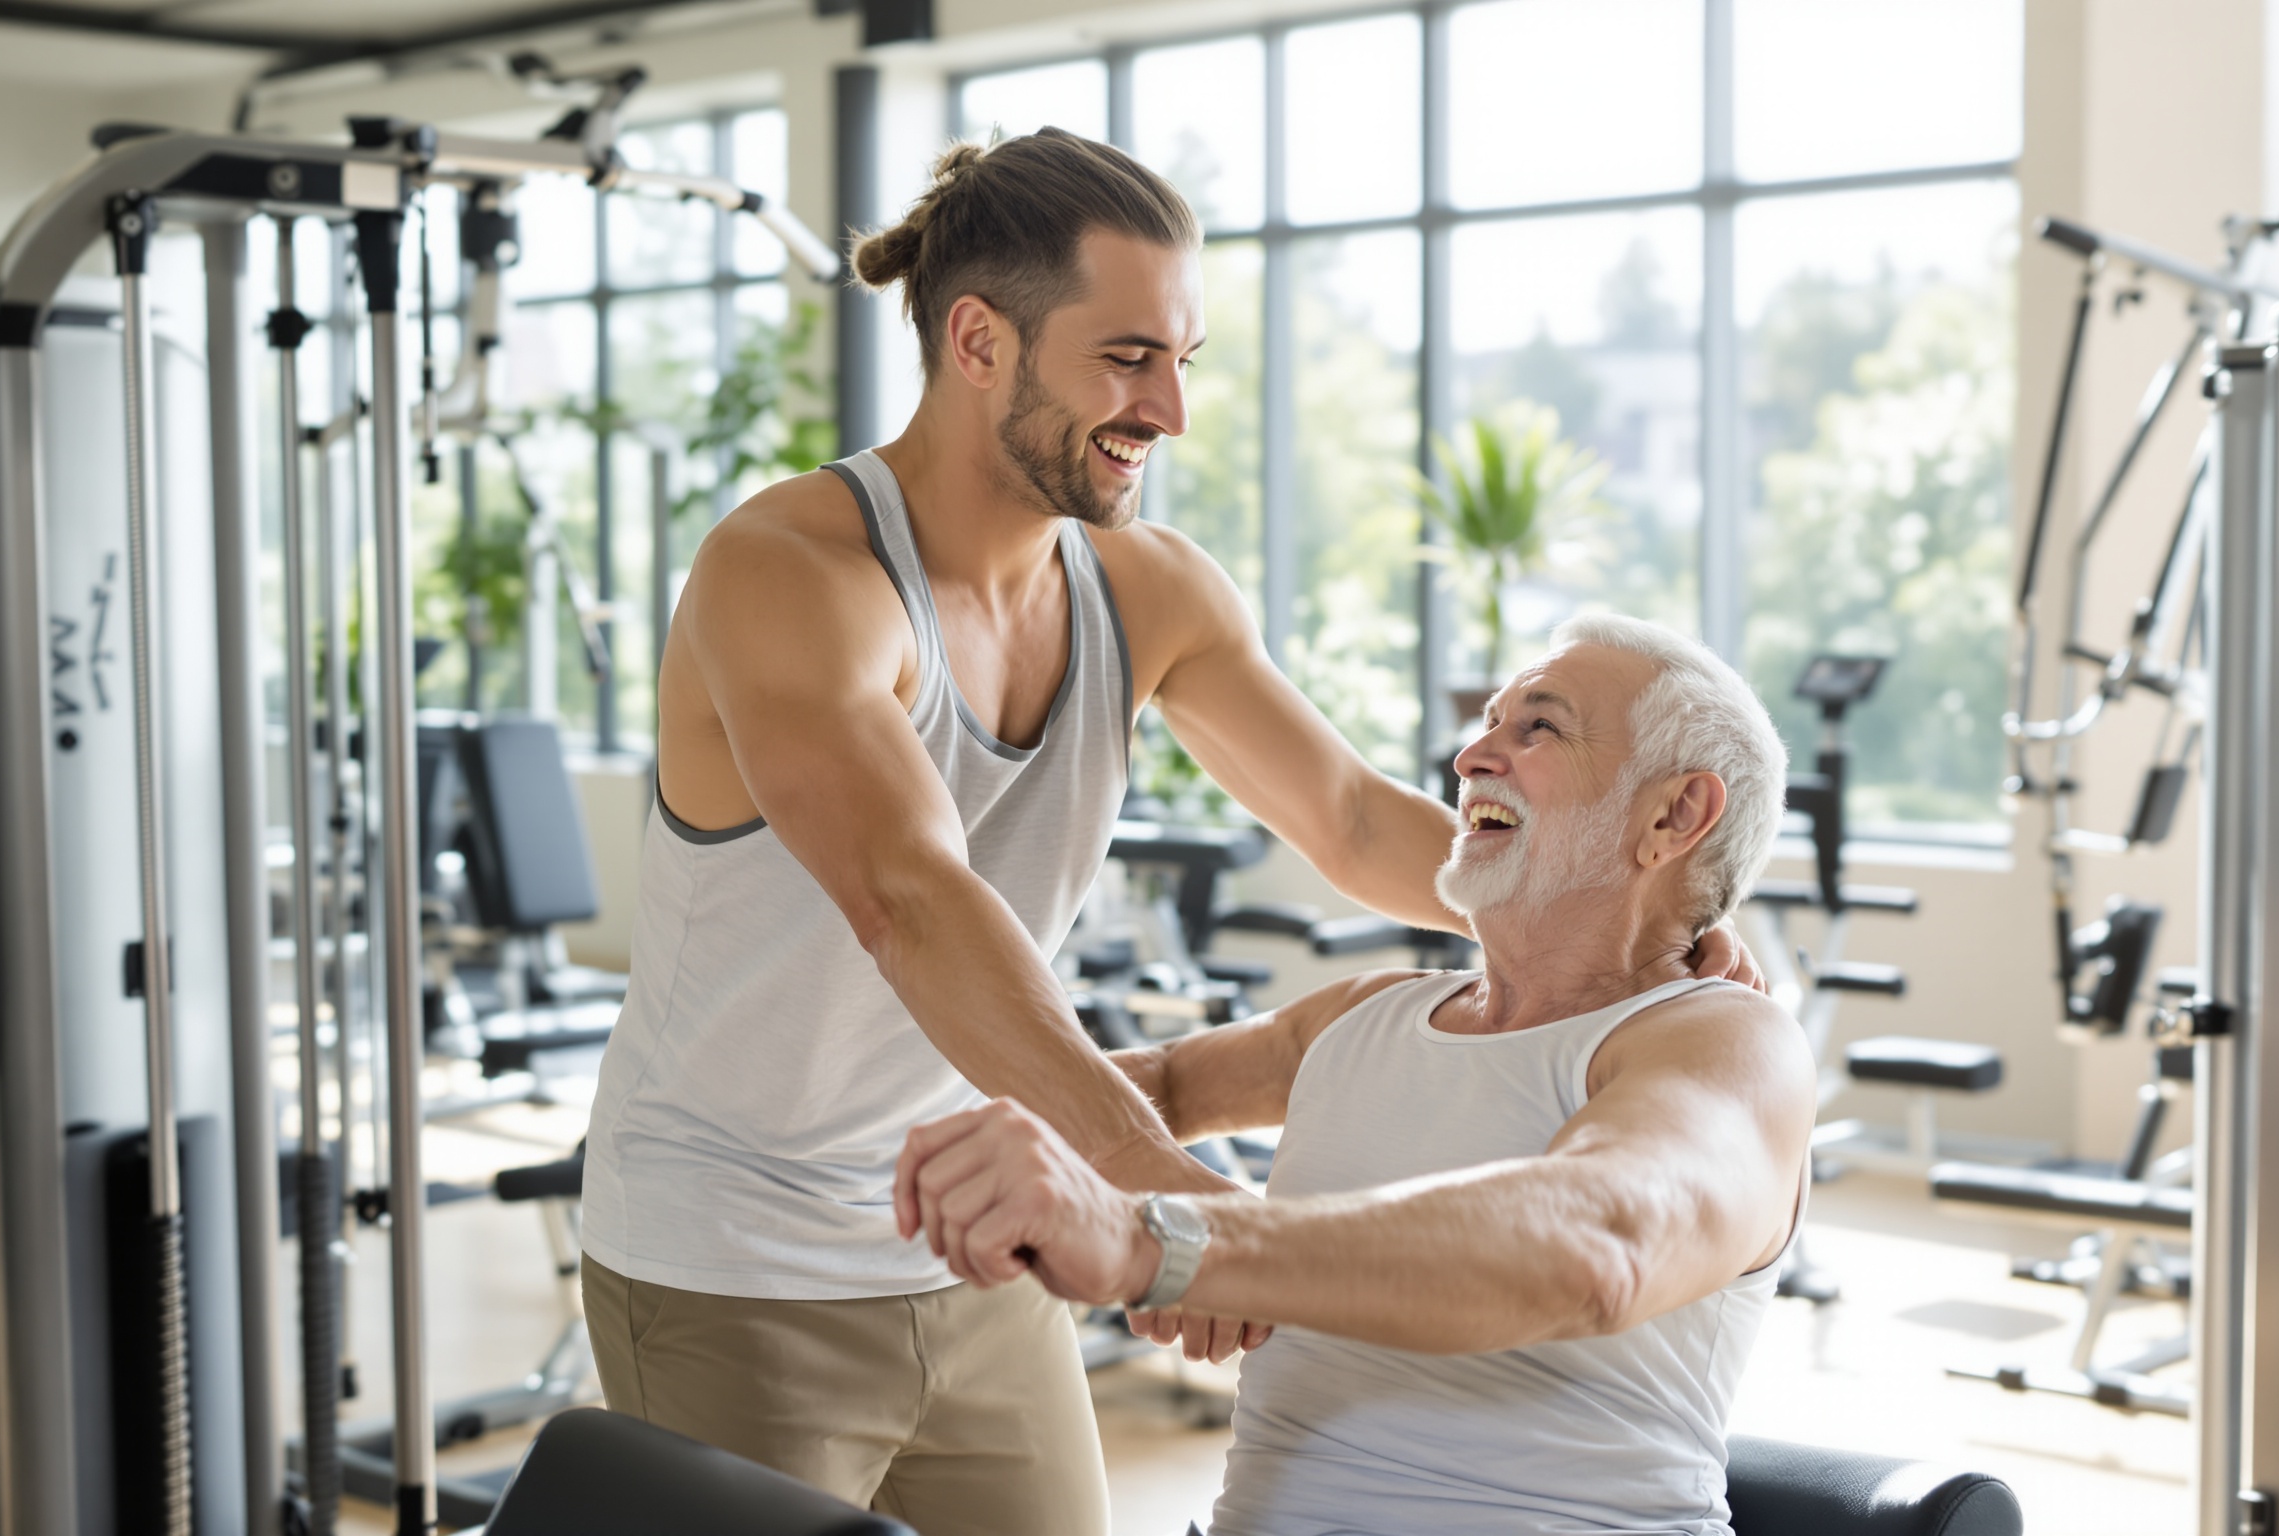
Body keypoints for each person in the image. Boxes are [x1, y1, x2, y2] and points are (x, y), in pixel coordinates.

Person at [577, 129, 1764, 1535]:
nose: (1172, 411)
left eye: (1185, 360)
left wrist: (1639, 914)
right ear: (978, 342)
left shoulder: (1148, 592)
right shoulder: (795, 578)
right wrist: (1168, 1201)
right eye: (1128, 357)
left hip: (969, 1239)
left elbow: (1349, 819)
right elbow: (911, 898)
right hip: (738, 1251)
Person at [896, 613, 1815, 1536]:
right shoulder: (1370, 1015)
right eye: (1488, 721)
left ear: (1673, 816)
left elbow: (1599, 1243)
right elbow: (1157, 1090)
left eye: (1539, 727)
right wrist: (934, 1141)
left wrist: (1165, 1244)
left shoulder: (1727, 1042)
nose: (1471, 758)